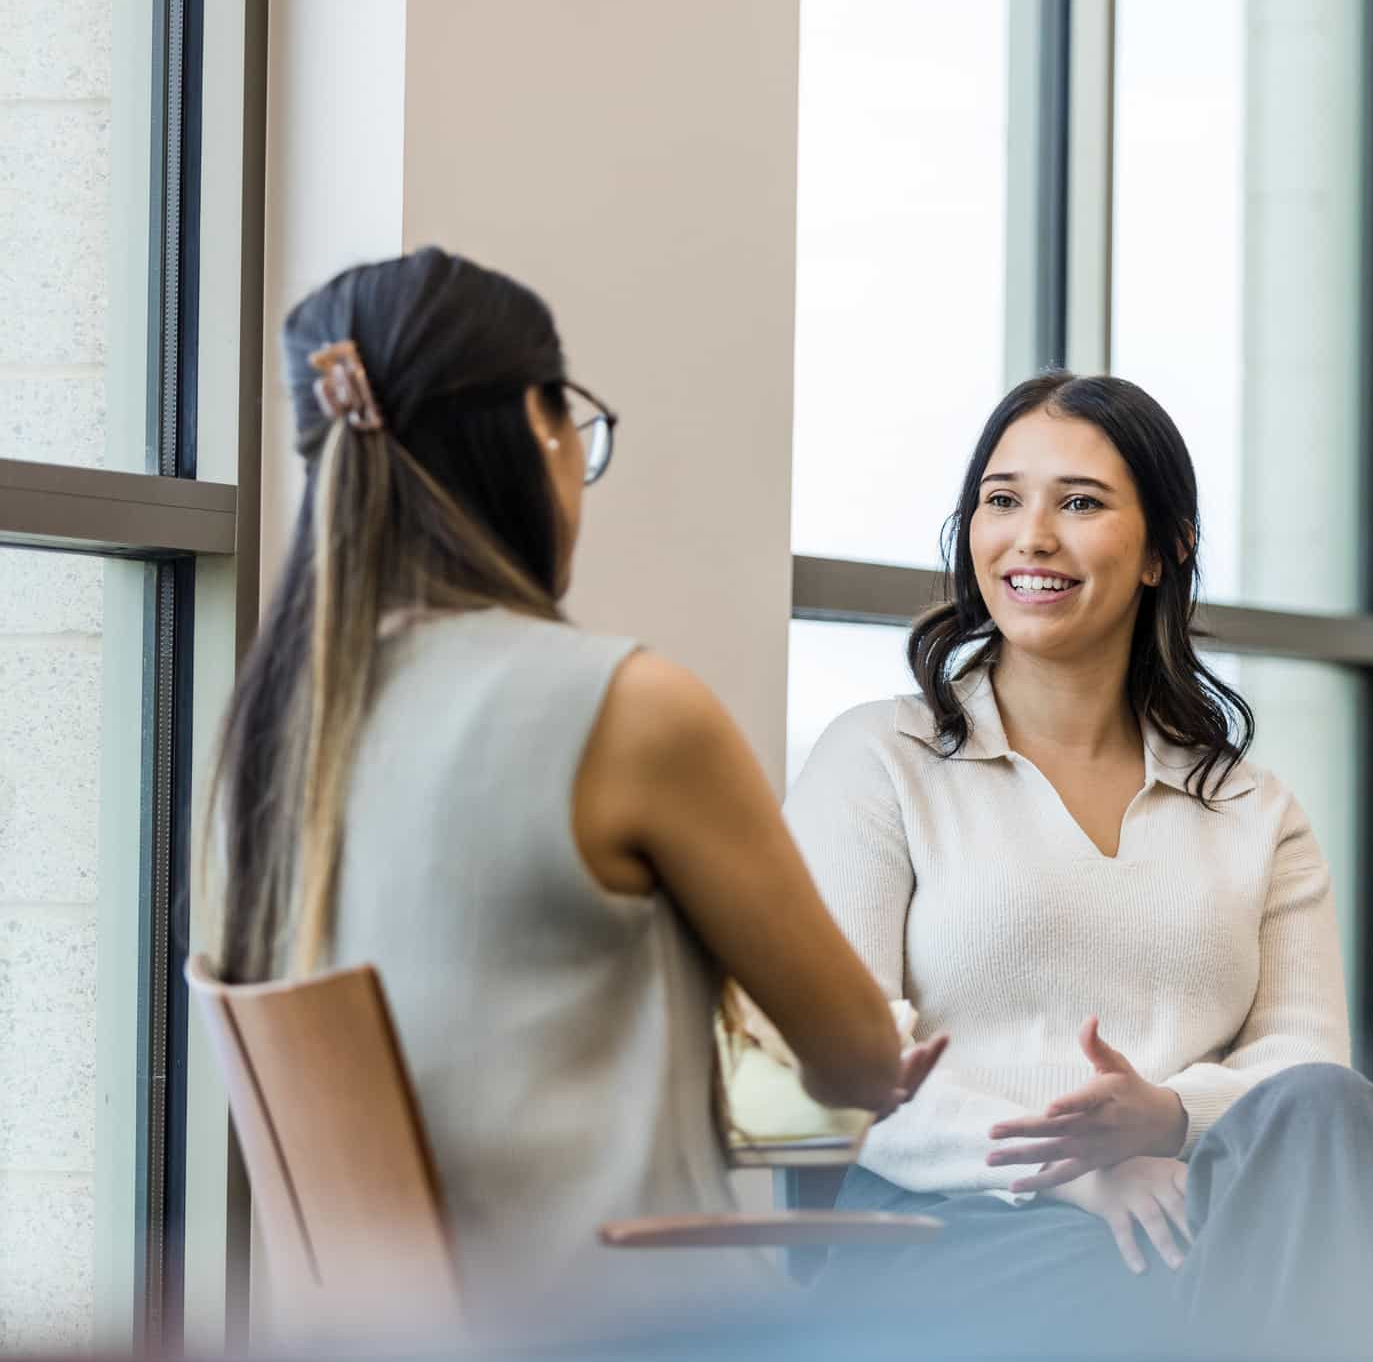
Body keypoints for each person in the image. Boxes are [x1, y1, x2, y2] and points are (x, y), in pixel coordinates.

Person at [203, 249, 944, 1331]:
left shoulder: (276, 729)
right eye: (574, 427)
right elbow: (859, 1060)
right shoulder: (631, 710)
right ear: (537, 428)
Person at [786, 372, 1373, 1357]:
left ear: (1165, 546)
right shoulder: (881, 760)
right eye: (1001, 500)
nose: (1032, 537)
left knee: (1335, 1111)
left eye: (1079, 502)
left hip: (1197, 1210)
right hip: (951, 1225)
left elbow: (1301, 1070)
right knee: (1277, 1299)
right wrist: (1082, 1170)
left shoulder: (1252, 809)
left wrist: (1166, 1118)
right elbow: (843, 1061)